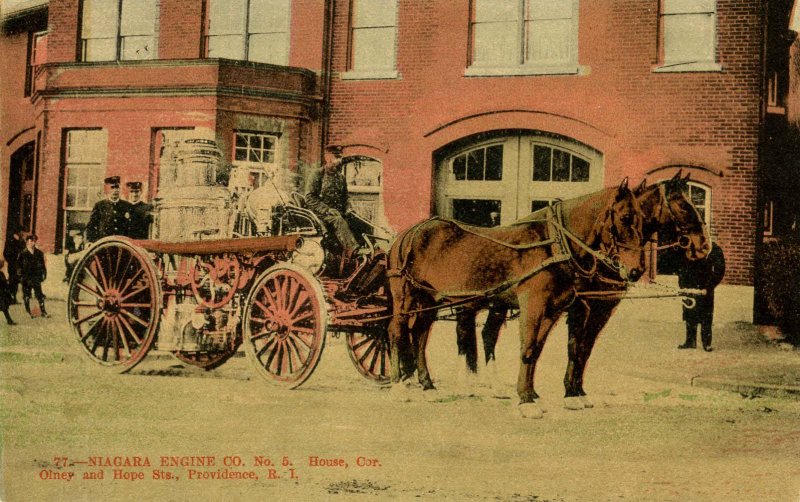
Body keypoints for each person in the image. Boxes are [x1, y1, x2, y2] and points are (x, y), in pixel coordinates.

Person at [304, 145, 359, 271]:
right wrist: (327, 210)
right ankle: (352, 249)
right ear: (328, 158)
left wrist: (349, 208)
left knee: (356, 221)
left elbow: (346, 198)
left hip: (337, 214)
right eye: (337, 157)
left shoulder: (341, 178)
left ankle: (367, 251)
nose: (340, 161)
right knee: (338, 220)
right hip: (320, 215)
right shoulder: (317, 174)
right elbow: (309, 198)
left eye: (340, 157)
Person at [678, 242, 726, 351]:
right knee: (689, 312)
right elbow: (681, 267)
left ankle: (706, 343)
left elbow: (720, 270)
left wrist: (709, 287)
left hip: (705, 287)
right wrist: (681, 286)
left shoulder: (713, 248)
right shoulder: (687, 246)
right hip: (688, 286)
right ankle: (690, 341)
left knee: (706, 315)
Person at [86, 176, 132, 243]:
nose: (115, 190)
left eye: (117, 187)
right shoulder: (99, 205)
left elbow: (130, 227)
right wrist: (91, 241)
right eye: (112, 188)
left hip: (122, 243)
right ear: (108, 190)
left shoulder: (126, 205)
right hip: (104, 243)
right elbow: (91, 225)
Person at [17, 234, 49, 319]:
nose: (33, 243)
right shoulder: (22, 253)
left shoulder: (39, 253)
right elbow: (19, 267)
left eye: (34, 241)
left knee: (39, 295)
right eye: (31, 241)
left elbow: (42, 265)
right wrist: (20, 277)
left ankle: (43, 312)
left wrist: (44, 274)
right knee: (27, 295)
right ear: (27, 242)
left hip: (36, 277)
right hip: (26, 278)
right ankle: (28, 312)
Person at [4, 229, 25, 303]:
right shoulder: (10, 241)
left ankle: (13, 297)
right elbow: (5, 253)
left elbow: (24, 251)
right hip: (12, 264)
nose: (23, 233)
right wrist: (11, 261)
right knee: (12, 280)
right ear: (18, 232)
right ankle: (10, 297)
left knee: (16, 281)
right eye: (22, 232)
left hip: (19, 265)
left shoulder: (22, 241)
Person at [0, 258, 16, 325]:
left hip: (2, 293)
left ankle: (9, 320)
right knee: (4, 308)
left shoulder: (1, 273)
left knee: (4, 308)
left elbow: (4, 283)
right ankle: (9, 320)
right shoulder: (1, 274)